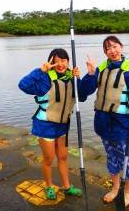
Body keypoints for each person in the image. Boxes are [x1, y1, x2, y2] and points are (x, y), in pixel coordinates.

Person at [80, 35, 129, 207]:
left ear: (121, 47)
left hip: (122, 126)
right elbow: (83, 93)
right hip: (103, 124)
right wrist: (89, 74)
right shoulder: (101, 69)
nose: (112, 50)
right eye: (108, 48)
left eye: (115, 46)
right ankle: (116, 188)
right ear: (105, 52)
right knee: (112, 158)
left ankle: (128, 191)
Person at [18, 48, 83, 200]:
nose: (60, 64)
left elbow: (82, 94)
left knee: (63, 157)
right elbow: (23, 85)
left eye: (63, 60)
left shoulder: (71, 78)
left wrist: (79, 79)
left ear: (68, 61)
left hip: (63, 125)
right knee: (49, 159)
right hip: (45, 125)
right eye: (56, 61)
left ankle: (67, 187)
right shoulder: (45, 79)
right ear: (51, 63)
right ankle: (48, 186)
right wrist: (39, 71)